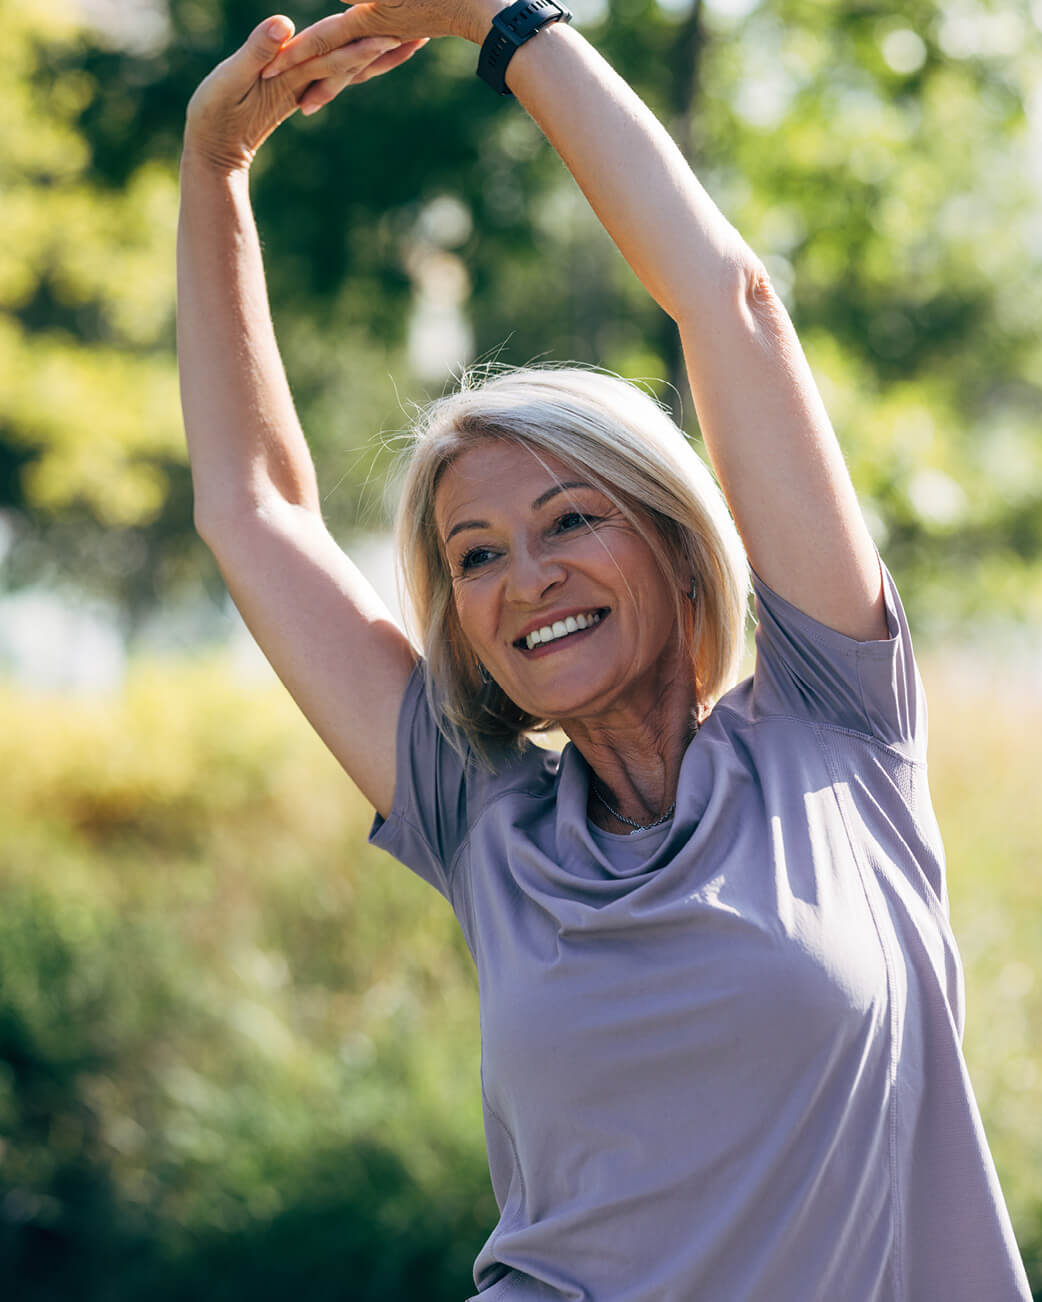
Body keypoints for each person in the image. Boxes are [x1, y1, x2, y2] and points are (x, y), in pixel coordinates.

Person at [176, 5, 1033, 1300]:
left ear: (679, 545)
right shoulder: (487, 825)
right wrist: (212, 169)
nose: (524, 577)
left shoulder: (835, 729)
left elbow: (727, 299)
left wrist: (500, 21)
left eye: (570, 518)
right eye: (473, 555)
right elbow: (254, 510)